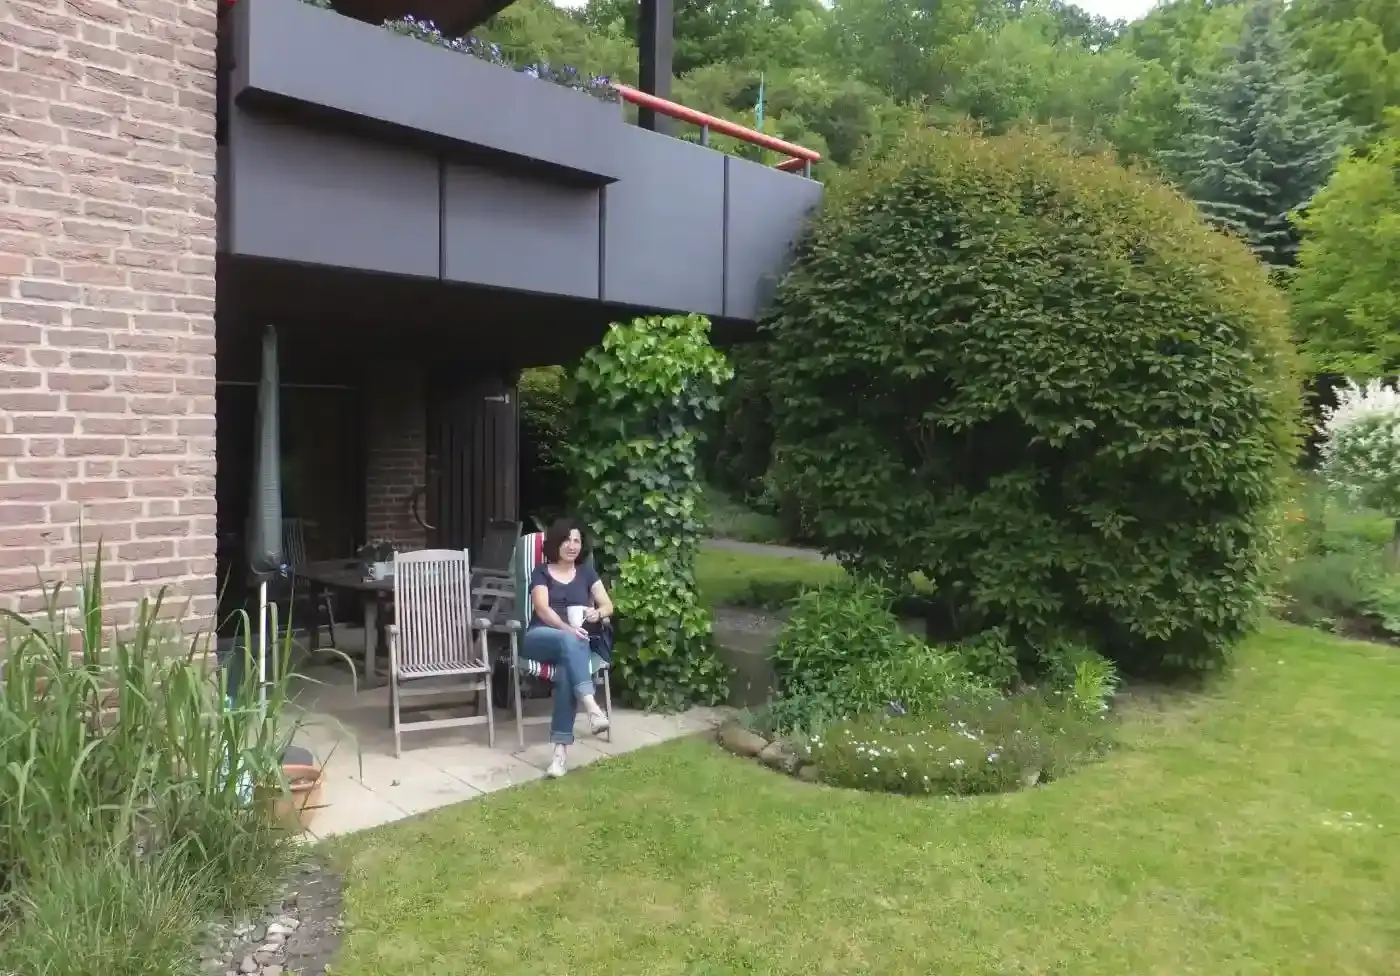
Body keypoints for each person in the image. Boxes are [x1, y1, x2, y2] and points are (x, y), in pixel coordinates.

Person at [521, 517, 614, 778]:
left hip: (575, 643)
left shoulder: (587, 573)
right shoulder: (541, 572)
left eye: (576, 541)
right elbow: (542, 609)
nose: (572, 546)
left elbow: (608, 605)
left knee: (566, 672)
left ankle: (559, 755)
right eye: (566, 540)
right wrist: (567, 628)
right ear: (556, 543)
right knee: (572, 639)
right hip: (540, 637)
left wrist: (597, 613)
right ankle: (592, 706)